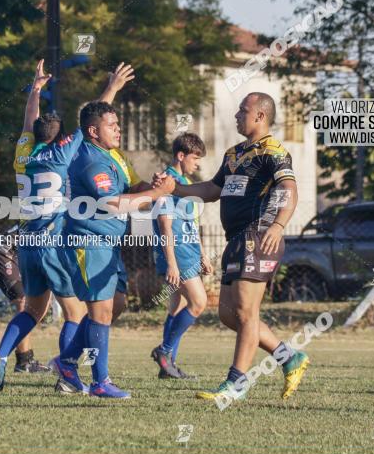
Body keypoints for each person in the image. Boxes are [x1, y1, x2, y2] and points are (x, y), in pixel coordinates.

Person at [0, 60, 134, 391]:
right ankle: (68, 371)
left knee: (33, 310)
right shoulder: (63, 155)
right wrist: (112, 88)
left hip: (26, 240)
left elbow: (29, 122)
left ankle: (1, 356)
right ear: (60, 139)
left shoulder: (24, 154)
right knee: (75, 313)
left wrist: (35, 90)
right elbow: (91, 121)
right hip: (52, 240)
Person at [154, 92, 309, 405]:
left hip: (259, 236)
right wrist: (177, 189)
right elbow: (212, 189)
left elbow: (288, 189)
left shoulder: (273, 152)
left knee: (247, 314)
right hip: (236, 239)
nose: (237, 115)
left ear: (260, 116)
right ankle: (288, 357)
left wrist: (277, 226)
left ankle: (236, 383)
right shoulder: (234, 153)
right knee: (228, 315)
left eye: (243, 110)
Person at [51, 100, 175, 399]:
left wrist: (152, 185)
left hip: (108, 243)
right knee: (101, 310)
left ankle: (66, 362)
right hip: (88, 242)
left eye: (118, 124)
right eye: (112, 125)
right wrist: (158, 193)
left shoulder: (113, 155)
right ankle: (99, 381)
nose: (119, 129)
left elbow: (132, 188)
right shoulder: (90, 160)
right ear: (93, 131)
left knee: (115, 305)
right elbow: (112, 202)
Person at [151, 133, 212, 379]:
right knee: (199, 303)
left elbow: (192, 224)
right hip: (177, 255)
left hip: (189, 253)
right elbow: (165, 225)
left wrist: (203, 254)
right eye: (195, 158)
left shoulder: (184, 184)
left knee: (177, 308)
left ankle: (168, 367)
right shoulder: (166, 182)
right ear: (181, 156)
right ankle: (164, 351)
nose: (197, 164)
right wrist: (172, 264)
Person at [0, 225, 49, 373]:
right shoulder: (57, 217)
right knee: (24, 302)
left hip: (13, 254)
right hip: (2, 253)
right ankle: (24, 362)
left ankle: (25, 359)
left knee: (31, 306)